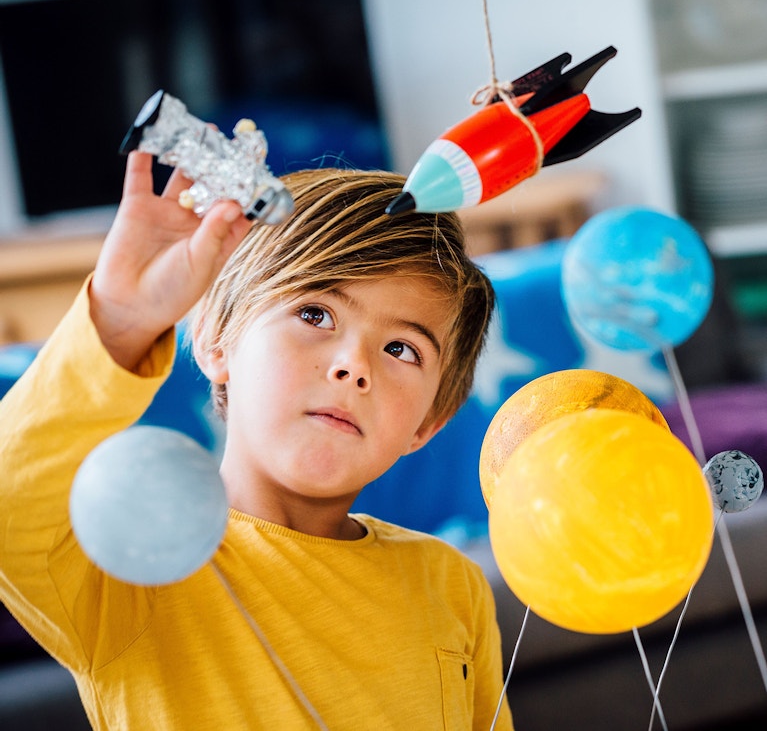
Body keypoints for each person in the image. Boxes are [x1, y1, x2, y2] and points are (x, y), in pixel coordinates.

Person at [0, 149, 512, 730]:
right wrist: (121, 320)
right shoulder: (135, 570)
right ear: (218, 339)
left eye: (402, 350)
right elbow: (9, 495)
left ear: (429, 422)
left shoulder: (453, 586)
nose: (354, 366)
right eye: (316, 314)